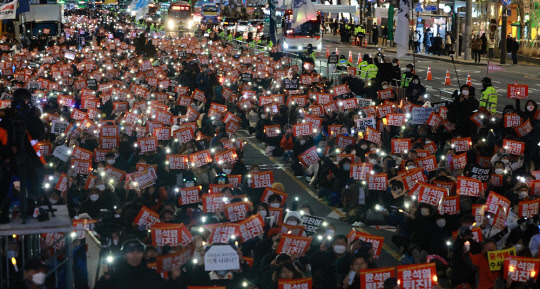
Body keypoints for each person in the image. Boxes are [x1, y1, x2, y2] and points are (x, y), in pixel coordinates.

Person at [94, 239, 184, 289]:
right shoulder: (114, 276)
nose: (135, 255)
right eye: (131, 252)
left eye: (138, 252)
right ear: (124, 255)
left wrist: (174, 278)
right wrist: (105, 280)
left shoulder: (151, 275)